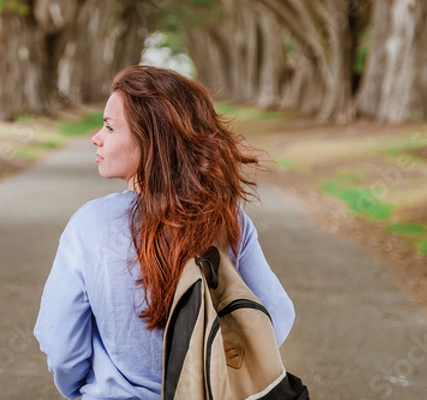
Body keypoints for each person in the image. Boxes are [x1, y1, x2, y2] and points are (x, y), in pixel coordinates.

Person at [33, 65, 295, 400]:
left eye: (110, 128)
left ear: (150, 140)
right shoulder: (226, 218)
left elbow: (62, 346)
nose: (95, 137)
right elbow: (276, 317)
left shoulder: (90, 225)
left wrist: (84, 390)